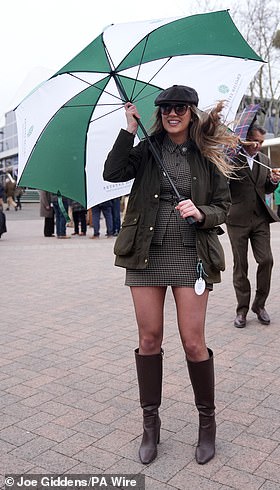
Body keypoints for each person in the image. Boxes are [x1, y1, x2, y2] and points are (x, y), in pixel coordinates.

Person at [103, 85, 237, 465]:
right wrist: (128, 129)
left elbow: (223, 205)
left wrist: (202, 212)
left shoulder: (208, 155)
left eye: (179, 108)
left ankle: (206, 425)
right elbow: (113, 171)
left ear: (192, 112)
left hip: (190, 253)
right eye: (164, 108)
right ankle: (151, 425)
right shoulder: (147, 148)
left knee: (193, 341)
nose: (171, 113)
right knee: (149, 338)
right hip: (145, 254)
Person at [226, 124, 280, 328]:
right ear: (245, 139)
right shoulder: (230, 160)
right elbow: (222, 186)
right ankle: (242, 310)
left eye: (261, 142)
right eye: (255, 141)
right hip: (237, 220)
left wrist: (274, 182)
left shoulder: (265, 160)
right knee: (240, 266)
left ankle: (259, 305)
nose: (258, 145)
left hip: (260, 219)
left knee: (266, 260)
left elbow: (265, 188)